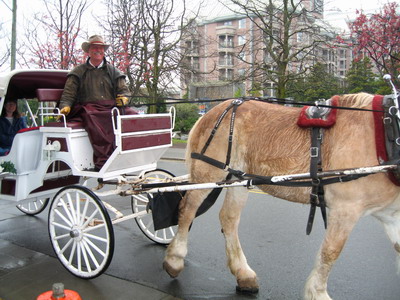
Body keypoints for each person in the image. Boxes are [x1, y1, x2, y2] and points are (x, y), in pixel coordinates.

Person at [58, 35, 131, 170]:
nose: (98, 50)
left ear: (104, 50)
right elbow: (68, 94)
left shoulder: (113, 71)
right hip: (89, 107)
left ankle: (130, 152)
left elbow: (124, 90)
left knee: (133, 115)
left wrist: (124, 98)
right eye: (95, 47)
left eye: (101, 47)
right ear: (89, 50)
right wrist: (65, 106)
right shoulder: (78, 72)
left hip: (111, 106)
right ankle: (104, 160)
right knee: (94, 117)